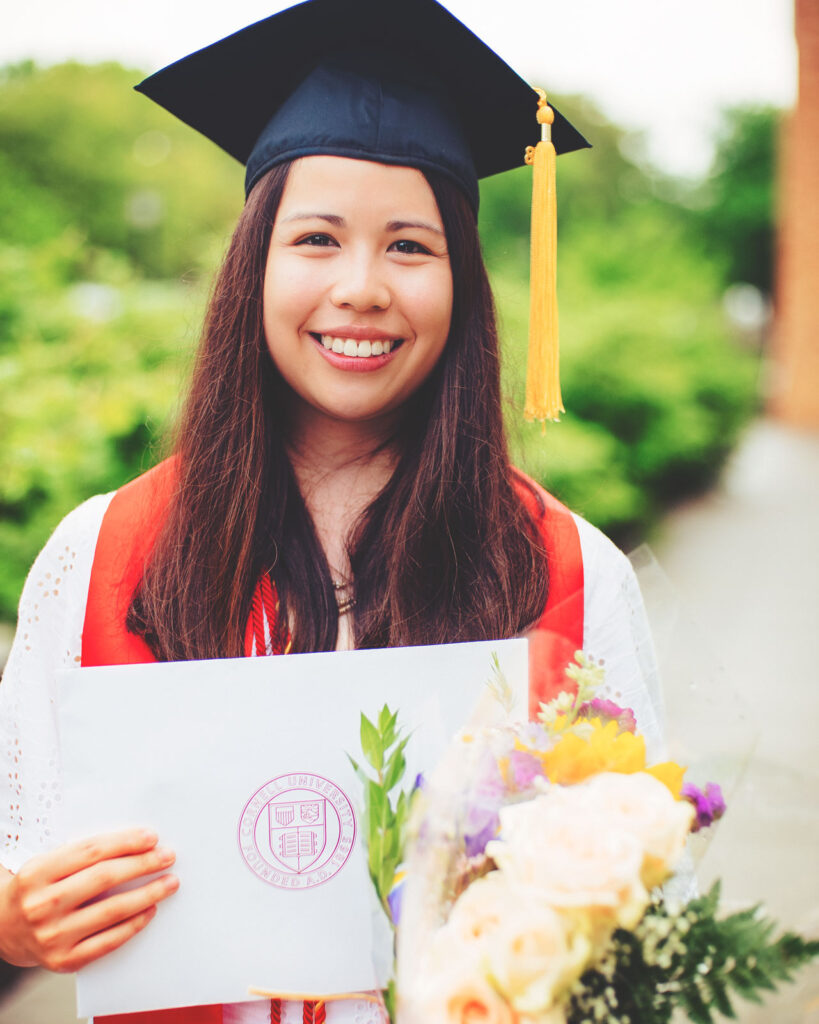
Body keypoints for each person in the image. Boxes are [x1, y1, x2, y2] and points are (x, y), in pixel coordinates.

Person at [0, 0, 664, 1021]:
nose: (360, 287)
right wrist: (16, 921)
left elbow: (649, 910)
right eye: (316, 238)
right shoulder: (104, 552)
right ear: (253, 264)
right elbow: (20, 854)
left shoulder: (567, 569)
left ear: (465, 283)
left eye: (410, 247)